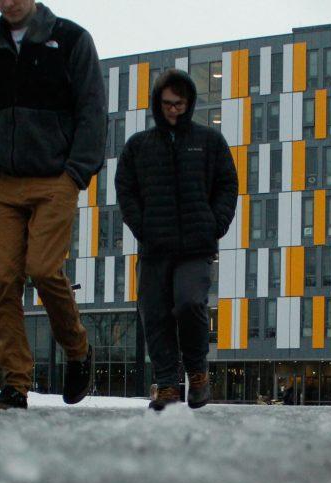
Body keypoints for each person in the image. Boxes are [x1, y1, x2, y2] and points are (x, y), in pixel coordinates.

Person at [0, 0, 107, 410]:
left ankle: (77, 349)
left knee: (43, 269)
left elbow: (92, 109)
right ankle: (16, 383)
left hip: (53, 179)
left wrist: (77, 171)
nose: (8, 2)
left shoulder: (71, 40)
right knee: (3, 279)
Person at [115, 69, 238, 411]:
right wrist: (141, 226)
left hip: (196, 245)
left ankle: (197, 372)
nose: (173, 111)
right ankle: (168, 383)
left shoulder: (209, 142)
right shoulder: (139, 146)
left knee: (189, 303)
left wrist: (215, 223)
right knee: (155, 314)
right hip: (155, 247)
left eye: (180, 104)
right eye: (167, 104)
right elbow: (124, 188)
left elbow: (228, 184)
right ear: (158, 103)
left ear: (189, 103)